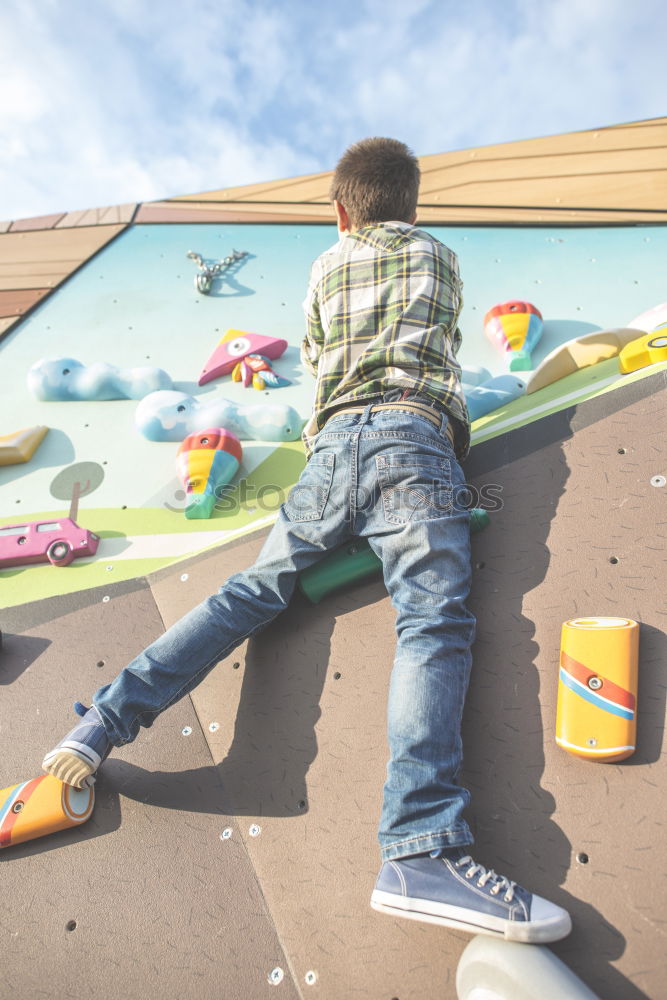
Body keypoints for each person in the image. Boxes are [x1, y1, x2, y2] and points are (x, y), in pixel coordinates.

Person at [43, 137, 571, 944]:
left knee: (250, 594)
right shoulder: (439, 257)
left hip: (331, 452)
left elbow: (323, 359)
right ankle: (419, 847)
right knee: (432, 623)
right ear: (412, 204)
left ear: (339, 210)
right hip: (413, 437)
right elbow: (442, 350)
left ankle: (99, 723)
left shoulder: (326, 265)